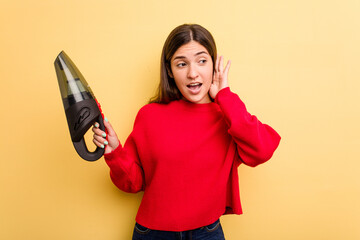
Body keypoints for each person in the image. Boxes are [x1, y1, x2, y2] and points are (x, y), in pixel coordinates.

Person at [92, 24, 281, 240]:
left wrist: (225, 96)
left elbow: (262, 150)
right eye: (181, 64)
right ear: (170, 71)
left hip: (207, 233)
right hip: (152, 234)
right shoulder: (149, 116)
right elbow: (132, 184)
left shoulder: (227, 116)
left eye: (202, 61)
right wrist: (115, 151)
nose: (193, 73)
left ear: (213, 65)